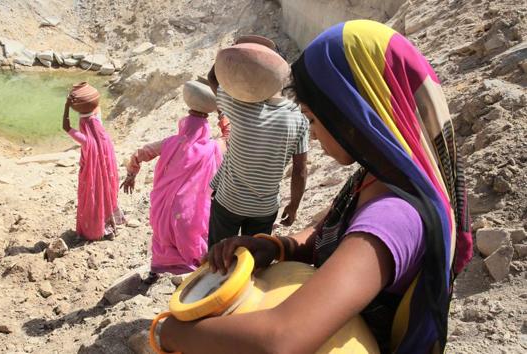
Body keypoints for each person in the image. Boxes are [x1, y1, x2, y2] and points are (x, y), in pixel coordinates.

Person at [158, 20, 473, 353]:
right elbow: (325, 235)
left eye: (312, 119)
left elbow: (280, 340)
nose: (313, 133)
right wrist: (277, 246)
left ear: (352, 116)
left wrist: (170, 331)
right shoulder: (376, 177)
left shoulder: (392, 216)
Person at [206, 35, 310, 247]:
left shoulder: (239, 106)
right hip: (264, 209)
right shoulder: (299, 118)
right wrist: (294, 206)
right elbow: (300, 170)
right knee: (253, 260)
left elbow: (213, 78)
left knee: (217, 257)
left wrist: (234, 57)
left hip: (229, 202)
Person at [121, 81, 228, 281]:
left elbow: (141, 153)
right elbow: (229, 136)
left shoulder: (170, 143)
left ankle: (155, 271)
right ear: (205, 127)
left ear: (184, 122)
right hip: (191, 211)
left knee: (162, 237)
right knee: (192, 239)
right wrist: (221, 113)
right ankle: (192, 274)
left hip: (164, 205)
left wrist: (131, 174)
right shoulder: (213, 148)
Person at [62, 82, 122, 241]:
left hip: (91, 175)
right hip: (105, 173)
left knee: (93, 198)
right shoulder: (103, 136)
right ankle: (109, 224)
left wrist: (67, 106)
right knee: (105, 194)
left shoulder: (85, 140)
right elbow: (95, 110)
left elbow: (65, 126)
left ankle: (93, 229)